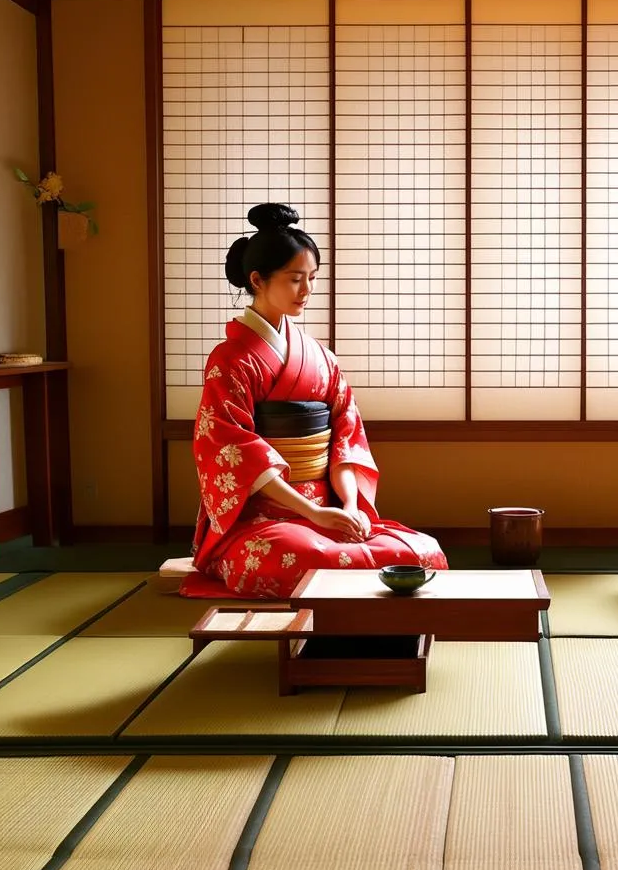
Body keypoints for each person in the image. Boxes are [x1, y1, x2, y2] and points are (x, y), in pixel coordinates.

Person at [184, 202, 448, 598]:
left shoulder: (322, 359)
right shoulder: (230, 361)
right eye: (295, 279)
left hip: (331, 513)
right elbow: (231, 450)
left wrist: (350, 506)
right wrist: (310, 513)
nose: (307, 291)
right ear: (257, 280)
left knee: (422, 553)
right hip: (264, 519)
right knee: (296, 557)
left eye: (312, 278)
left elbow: (345, 437)